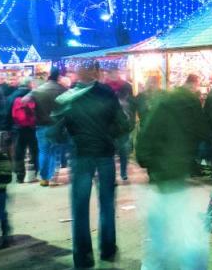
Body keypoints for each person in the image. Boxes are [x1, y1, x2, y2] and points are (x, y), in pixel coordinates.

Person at [49, 61, 131, 268]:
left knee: (79, 208)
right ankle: (108, 249)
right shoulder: (107, 93)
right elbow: (123, 124)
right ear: (95, 72)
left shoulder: (68, 98)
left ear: (78, 73)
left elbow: (55, 132)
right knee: (107, 204)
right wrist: (110, 138)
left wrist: (70, 138)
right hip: (104, 154)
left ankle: (83, 258)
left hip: (80, 155)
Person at [136, 85, 211, 270]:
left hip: (161, 179)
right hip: (182, 178)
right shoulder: (193, 107)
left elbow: (144, 144)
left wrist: (148, 162)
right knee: (187, 236)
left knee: (158, 240)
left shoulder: (162, 105)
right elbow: (205, 135)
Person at [29, 67, 67, 187]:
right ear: (59, 77)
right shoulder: (63, 90)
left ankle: (45, 178)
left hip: (41, 124)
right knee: (54, 150)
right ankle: (52, 175)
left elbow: (25, 102)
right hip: (57, 125)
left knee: (44, 151)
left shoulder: (38, 90)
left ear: (48, 76)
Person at [11, 81, 38, 183]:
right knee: (35, 152)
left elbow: (13, 115)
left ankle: (20, 176)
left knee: (19, 153)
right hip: (32, 128)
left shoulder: (16, 99)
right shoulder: (34, 97)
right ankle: (36, 173)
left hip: (20, 129)